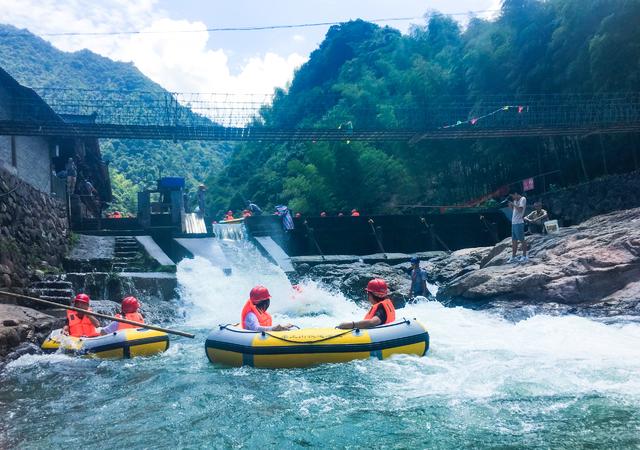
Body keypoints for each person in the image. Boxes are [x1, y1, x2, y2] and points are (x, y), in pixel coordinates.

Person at [508, 190, 528, 263]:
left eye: (512, 196)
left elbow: (520, 210)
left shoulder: (523, 199)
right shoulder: (515, 201)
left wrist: (513, 205)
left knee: (522, 240)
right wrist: (511, 207)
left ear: (516, 193)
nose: (512, 197)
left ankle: (525, 256)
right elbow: (515, 211)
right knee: (514, 241)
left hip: (519, 223)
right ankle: (513, 256)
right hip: (514, 223)